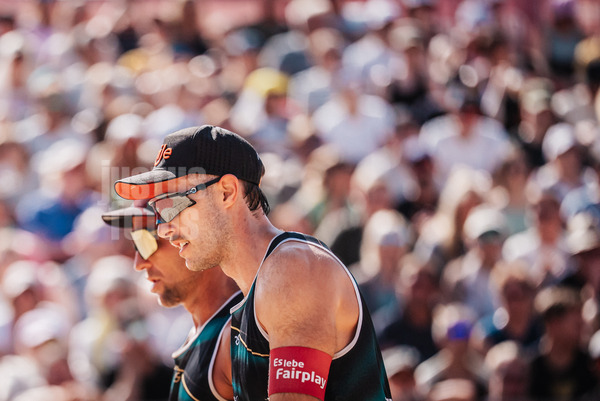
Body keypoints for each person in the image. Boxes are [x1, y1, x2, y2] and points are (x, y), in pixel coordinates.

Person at [115, 125, 391, 400]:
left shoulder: (292, 268)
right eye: (158, 210)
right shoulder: (254, 296)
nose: (163, 228)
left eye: (171, 205)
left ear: (226, 192)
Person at [101, 203, 242, 401]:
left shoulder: (245, 330)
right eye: (136, 243)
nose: (139, 263)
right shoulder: (207, 330)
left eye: (147, 240)